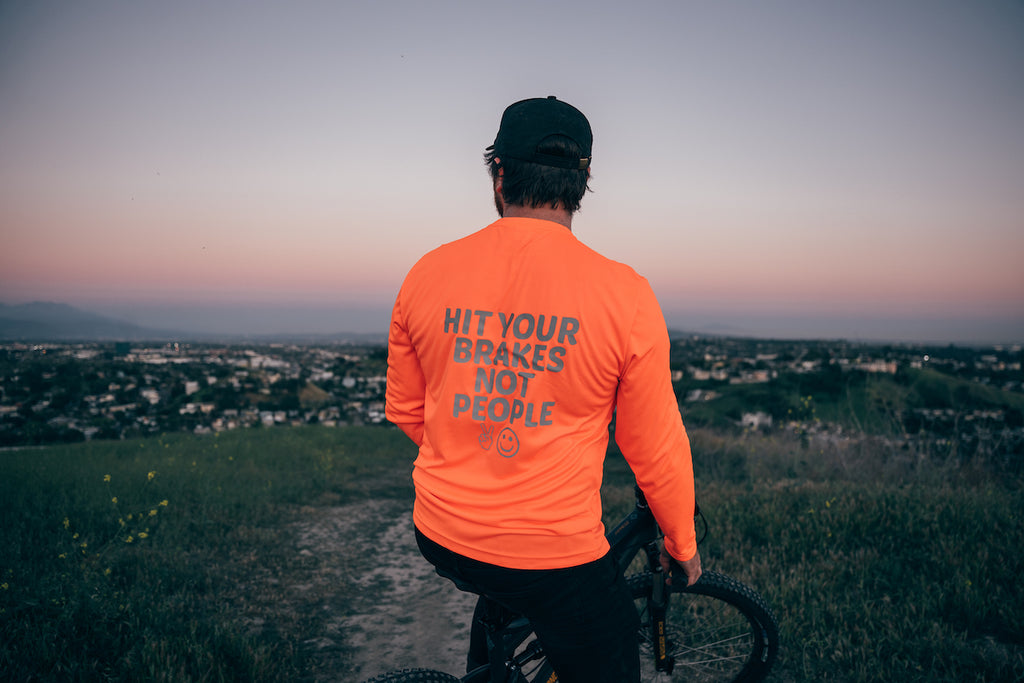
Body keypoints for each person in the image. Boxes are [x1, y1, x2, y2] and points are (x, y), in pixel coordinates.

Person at [385, 95, 701, 683]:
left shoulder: (426, 272)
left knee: (502, 583)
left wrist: (473, 456)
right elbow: (653, 446)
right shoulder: (625, 294)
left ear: (498, 173)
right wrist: (682, 544)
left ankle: (491, 664)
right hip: (553, 555)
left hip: (440, 529)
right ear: (583, 180)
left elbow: (405, 410)